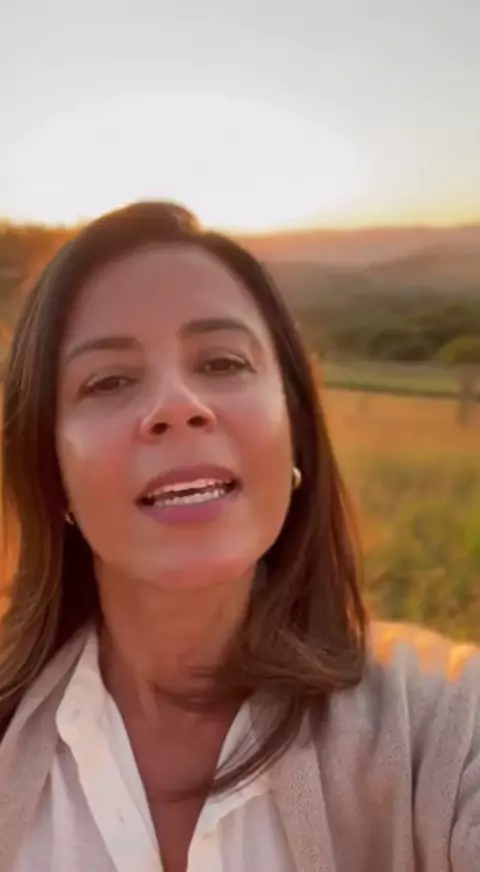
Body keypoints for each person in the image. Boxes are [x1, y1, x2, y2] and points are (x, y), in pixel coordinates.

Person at [0, 201, 478, 872]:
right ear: (52, 471)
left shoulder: (443, 726)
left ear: (295, 430)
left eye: (222, 363)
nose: (177, 406)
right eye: (109, 380)